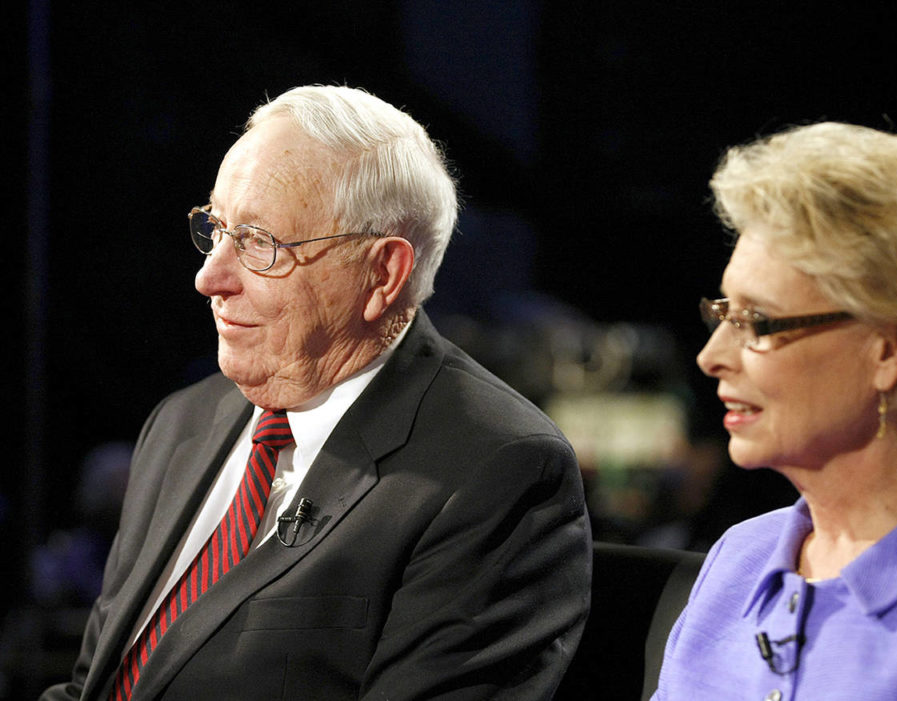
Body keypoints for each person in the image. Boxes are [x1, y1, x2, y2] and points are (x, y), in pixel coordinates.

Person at [41, 85, 591, 701]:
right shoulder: (183, 422)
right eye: (216, 229)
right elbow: (95, 685)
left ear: (382, 273)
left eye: (258, 243)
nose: (208, 277)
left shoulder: (497, 470)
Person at [653, 122, 897, 700]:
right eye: (723, 313)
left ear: (895, 348)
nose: (711, 357)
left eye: (758, 322)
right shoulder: (740, 559)